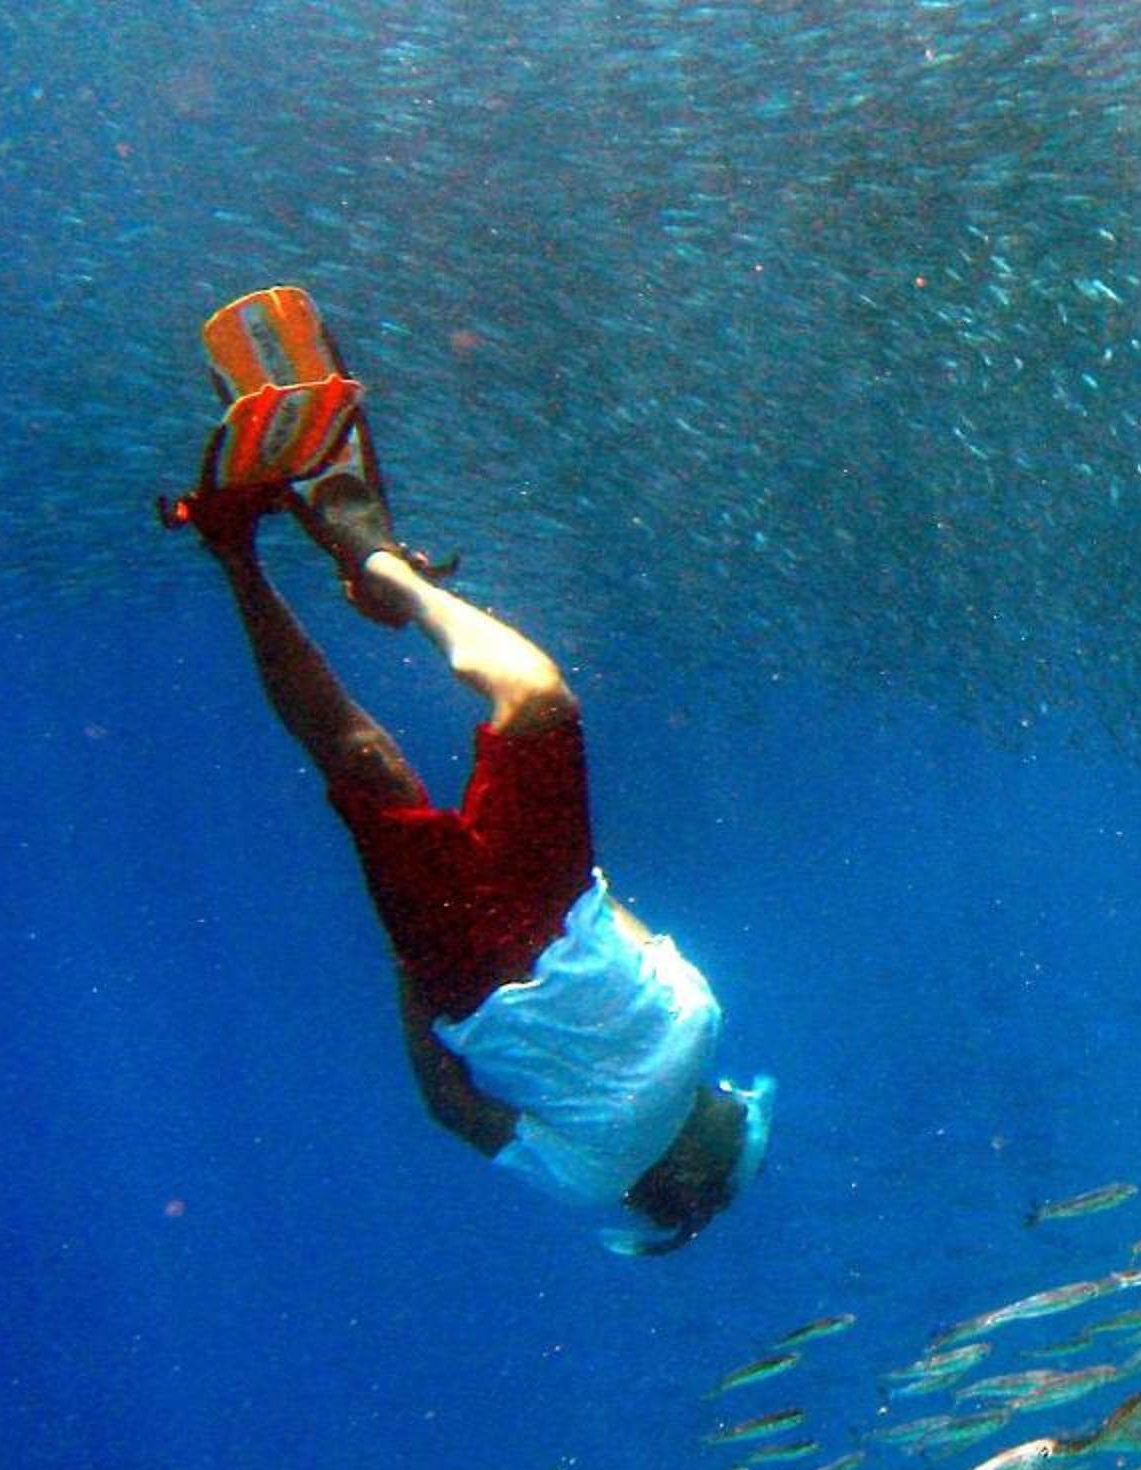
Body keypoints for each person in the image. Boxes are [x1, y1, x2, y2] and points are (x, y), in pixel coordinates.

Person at [167, 289, 772, 1255]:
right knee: (473, 722)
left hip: (491, 965)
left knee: (442, 734)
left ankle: (270, 555)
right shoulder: (680, 1065)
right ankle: (352, 562)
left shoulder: (599, 1166)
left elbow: (454, 1103)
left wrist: (426, 974)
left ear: (688, 1179)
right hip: (530, 922)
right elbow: (610, 949)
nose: (735, 1122)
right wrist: (433, 968)